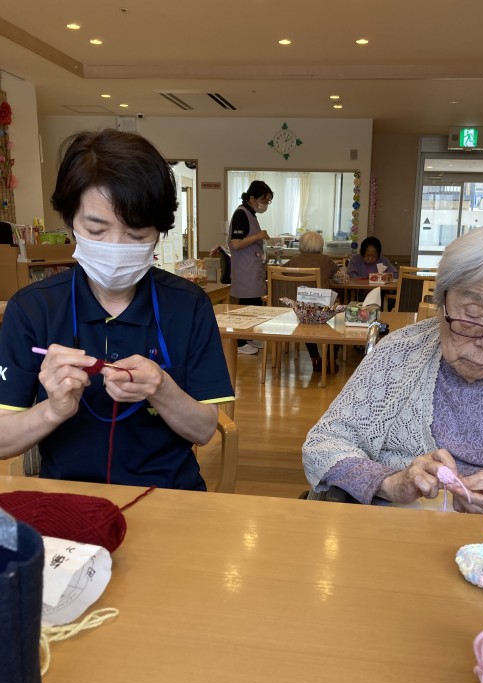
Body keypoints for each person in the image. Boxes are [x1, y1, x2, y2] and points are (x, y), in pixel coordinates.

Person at [303, 224, 483, 522]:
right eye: (472, 315)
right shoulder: (400, 351)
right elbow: (325, 443)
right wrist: (390, 482)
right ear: (442, 299)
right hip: (397, 530)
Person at [0, 128, 234, 491]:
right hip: (69, 498)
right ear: (71, 223)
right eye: (96, 231)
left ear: (158, 233)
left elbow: (204, 430)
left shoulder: (188, 305)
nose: (115, 247)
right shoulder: (33, 308)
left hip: (170, 495)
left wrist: (161, 388)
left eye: (136, 235)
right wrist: (53, 410)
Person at [228, 180, 273, 355]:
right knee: (245, 306)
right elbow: (236, 243)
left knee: (254, 303)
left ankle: (248, 336)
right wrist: (258, 236)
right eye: (263, 200)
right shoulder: (241, 214)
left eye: (268, 201)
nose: (265, 204)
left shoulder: (251, 214)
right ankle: (239, 342)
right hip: (245, 269)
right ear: (252, 198)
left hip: (253, 268)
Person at [284, 231, 340, 372]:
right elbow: (343, 279)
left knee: (306, 320)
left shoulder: (293, 261)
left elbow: (278, 274)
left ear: (301, 245)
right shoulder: (326, 260)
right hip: (323, 311)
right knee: (339, 320)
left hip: (299, 311)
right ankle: (330, 359)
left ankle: (315, 357)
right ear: (320, 246)